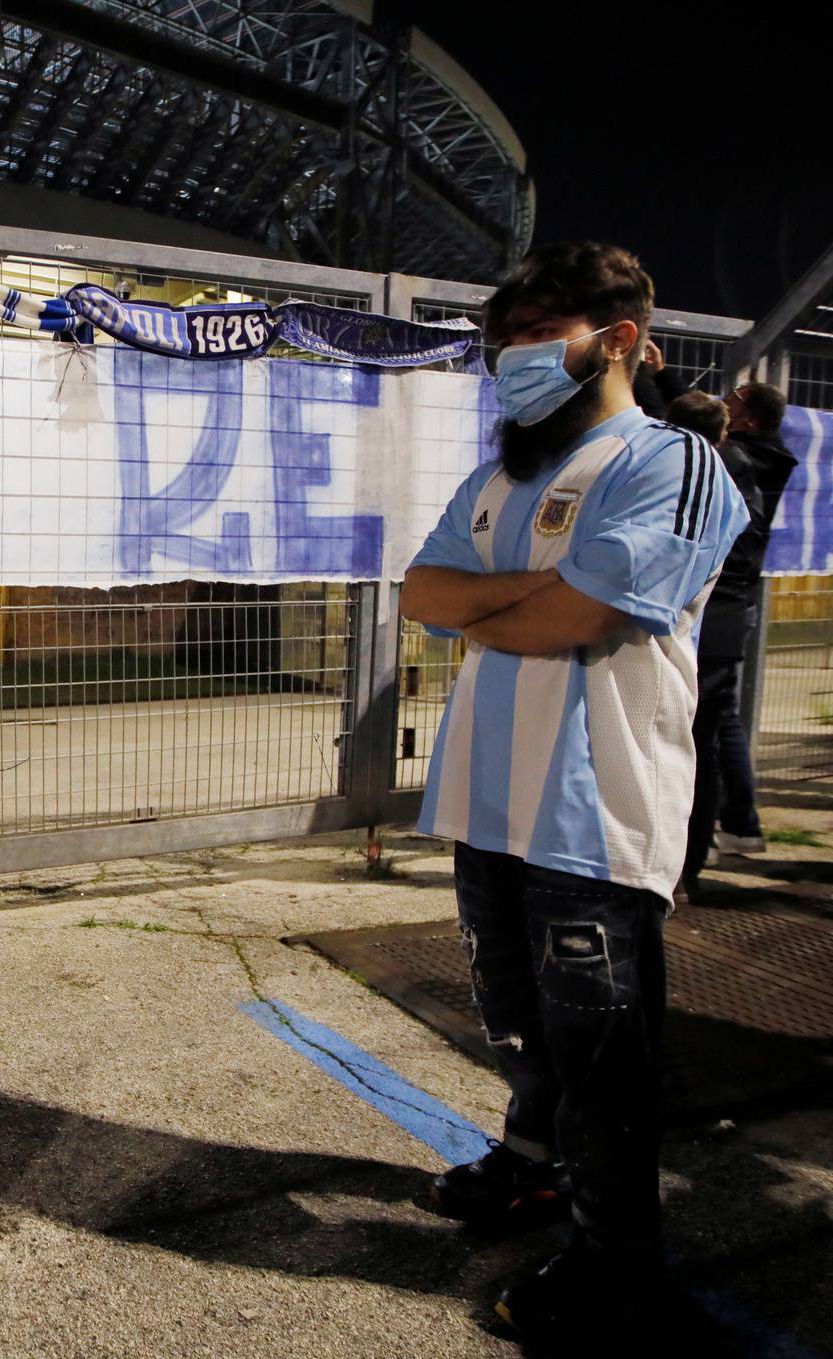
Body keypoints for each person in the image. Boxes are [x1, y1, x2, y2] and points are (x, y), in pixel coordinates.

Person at [400, 242, 747, 1342]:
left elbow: (585, 615)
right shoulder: (505, 472)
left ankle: (617, 1262)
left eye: (541, 336)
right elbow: (420, 591)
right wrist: (529, 594)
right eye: (505, 341)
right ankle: (534, 1169)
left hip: (593, 816)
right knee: (521, 1026)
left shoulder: (671, 462)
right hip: (486, 801)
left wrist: (494, 605)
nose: (514, 360)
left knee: (605, 1058)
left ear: (622, 342)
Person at [665, 392, 762, 895]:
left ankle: (679, 868)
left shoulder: (688, 471)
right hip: (713, 627)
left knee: (690, 748)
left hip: (699, 626)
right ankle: (685, 867)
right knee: (698, 747)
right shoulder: (734, 470)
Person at [704, 381, 800, 857]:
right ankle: (740, 825)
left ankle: (715, 837)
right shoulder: (762, 454)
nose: (722, 401)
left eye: (732, 400)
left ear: (749, 420)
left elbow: (698, 434)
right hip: (732, 604)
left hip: (720, 604)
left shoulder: (739, 461)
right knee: (724, 719)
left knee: (713, 724)